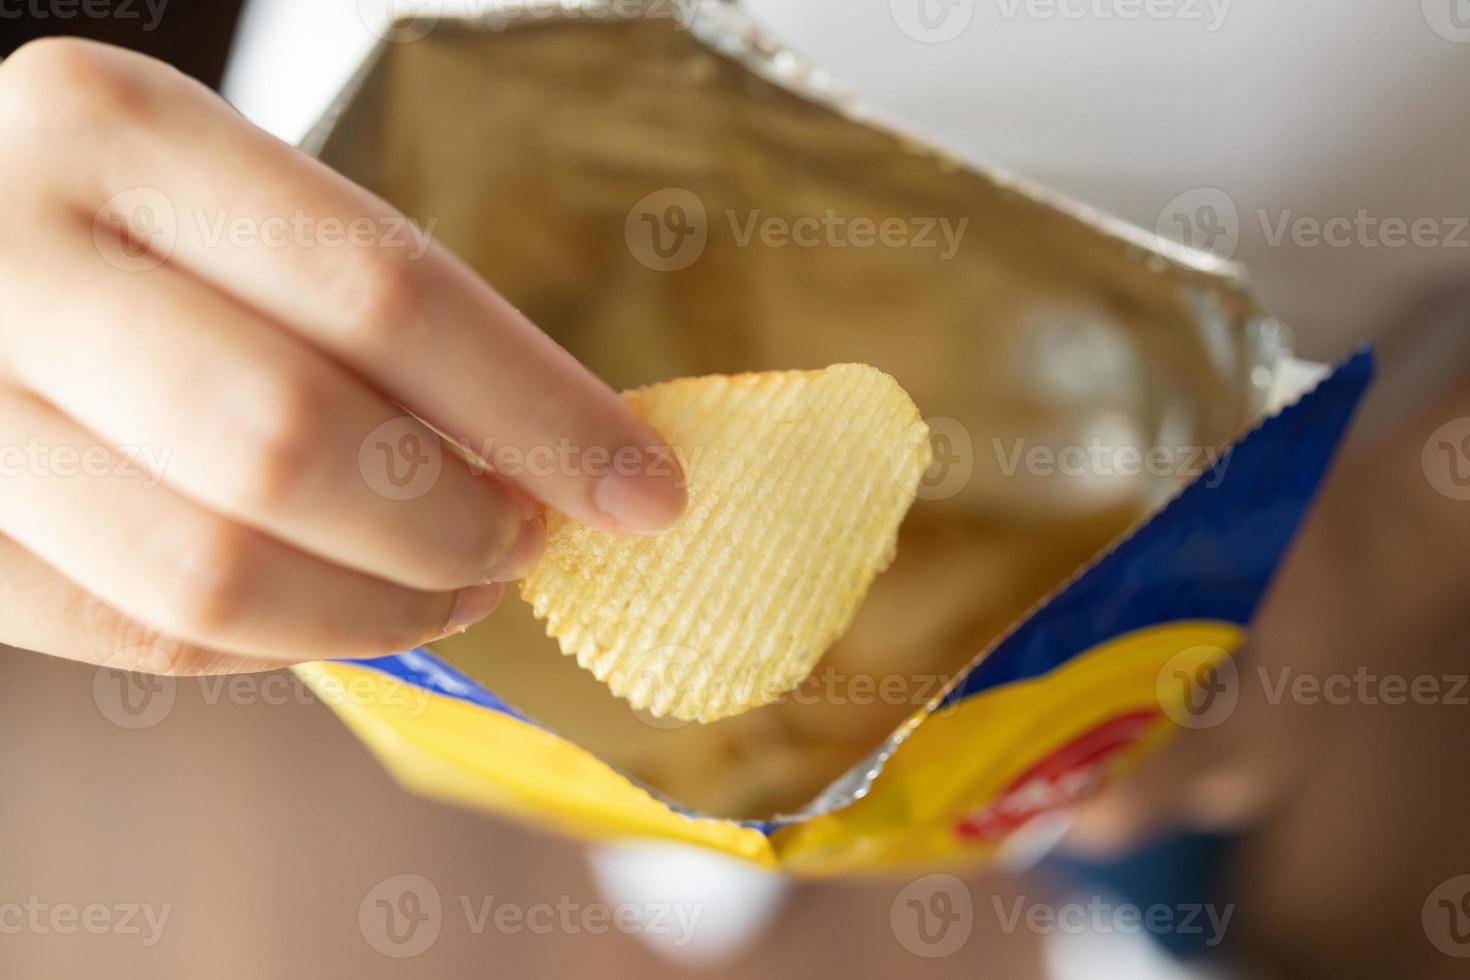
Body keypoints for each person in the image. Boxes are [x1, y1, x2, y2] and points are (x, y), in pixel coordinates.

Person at [2, 4, 1469, 978]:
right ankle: (706, 815)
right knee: (609, 753)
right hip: (450, 380)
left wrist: (1404, 525)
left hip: (1300, 500)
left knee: (1210, 856)